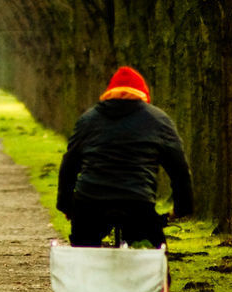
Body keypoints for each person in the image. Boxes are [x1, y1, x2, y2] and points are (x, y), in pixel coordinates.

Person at [56, 65, 194, 247]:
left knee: (83, 256)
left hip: (90, 201)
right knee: (151, 264)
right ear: (143, 95)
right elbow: (178, 168)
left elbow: (69, 164)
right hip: (137, 202)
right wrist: (182, 207)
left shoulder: (88, 120)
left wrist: (67, 205)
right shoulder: (158, 120)